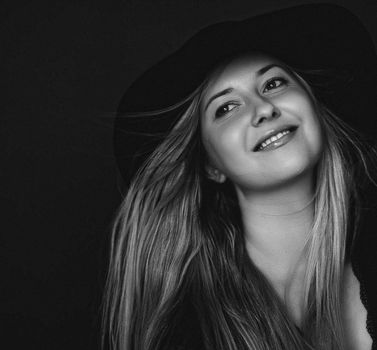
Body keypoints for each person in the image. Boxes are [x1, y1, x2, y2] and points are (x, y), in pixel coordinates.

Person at [103, 4, 377, 350]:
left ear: (313, 105)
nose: (264, 109)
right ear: (210, 165)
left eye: (274, 83)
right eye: (226, 108)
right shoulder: (190, 333)